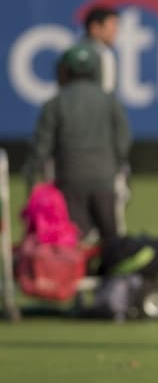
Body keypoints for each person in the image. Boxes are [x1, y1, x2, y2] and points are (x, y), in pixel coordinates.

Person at [27, 45, 131, 243]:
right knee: (111, 240)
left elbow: (41, 148)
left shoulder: (54, 103)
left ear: (65, 70)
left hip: (70, 178)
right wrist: (116, 165)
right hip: (105, 178)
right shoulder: (110, 101)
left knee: (74, 239)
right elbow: (123, 139)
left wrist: (32, 178)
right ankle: (115, 272)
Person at [66, 5, 120, 93]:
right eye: (112, 24)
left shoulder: (104, 52)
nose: (116, 30)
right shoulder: (82, 54)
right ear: (95, 28)